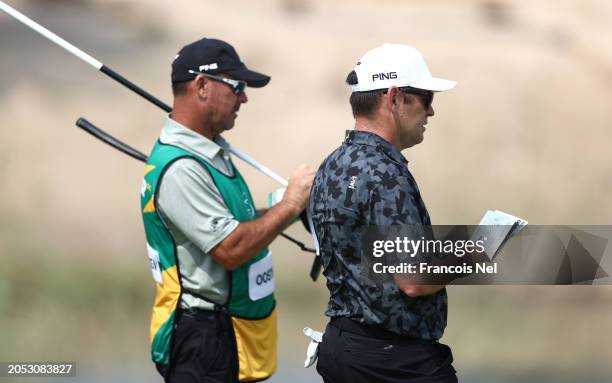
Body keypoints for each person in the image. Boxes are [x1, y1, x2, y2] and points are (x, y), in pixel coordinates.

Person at [140, 38, 314, 383]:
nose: (244, 98)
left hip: (226, 332)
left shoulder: (208, 153)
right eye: (237, 87)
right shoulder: (181, 168)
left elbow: (237, 224)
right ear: (201, 86)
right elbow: (231, 248)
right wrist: (291, 203)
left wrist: (291, 207)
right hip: (201, 338)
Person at [309, 43, 458, 383]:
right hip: (394, 364)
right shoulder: (386, 174)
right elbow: (414, 281)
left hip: (343, 350)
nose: (431, 112)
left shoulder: (332, 164)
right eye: (425, 98)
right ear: (394, 99)